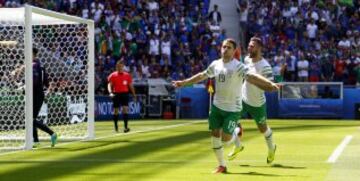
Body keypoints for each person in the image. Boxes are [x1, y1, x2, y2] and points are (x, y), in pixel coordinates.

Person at [172, 39, 279, 174]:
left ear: (234, 51)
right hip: (225, 104)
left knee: (229, 138)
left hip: (246, 105)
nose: (225, 49)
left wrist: (270, 84)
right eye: (223, 47)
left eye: (228, 47)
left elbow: (252, 77)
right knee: (215, 135)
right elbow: (202, 75)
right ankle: (222, 165)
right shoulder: (218, 64)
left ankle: (256, 143)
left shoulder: (243, 66)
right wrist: (184, 82)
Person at [228, 37, 277, 164]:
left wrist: (254, 82)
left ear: (259, 48)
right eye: (249, 45)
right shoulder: (247, 59)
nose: (249, 47)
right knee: (230, 120)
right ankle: (238, 146)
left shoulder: (265, 66)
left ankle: (272, 149)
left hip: (257, 103)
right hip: (243, 99)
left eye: (252, 46)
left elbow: (270, 87)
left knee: (263, 129)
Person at [15, 48, 58, 148]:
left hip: (35, 95)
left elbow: (33, 82)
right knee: (31, 118)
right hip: (38, 94)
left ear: (32, 54)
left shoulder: (34, 66)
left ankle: (51, 133)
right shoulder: (41, 66)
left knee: (30, 119)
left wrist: (23, 87)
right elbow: (46, 83)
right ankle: (36, 140)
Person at [108, 59, 136, 133]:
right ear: (116, 67)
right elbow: (109, 85)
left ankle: (126, 127)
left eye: (121, 66)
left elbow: (130, 86)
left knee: (125, 109)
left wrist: (134, 94)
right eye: (118, 66)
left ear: (123, 67)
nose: (120, 68)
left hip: (125, 94)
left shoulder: (127, 75)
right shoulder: (113, 75)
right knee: (116, 111)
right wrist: (110, 92)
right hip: (116, 94)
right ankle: (116, 127)